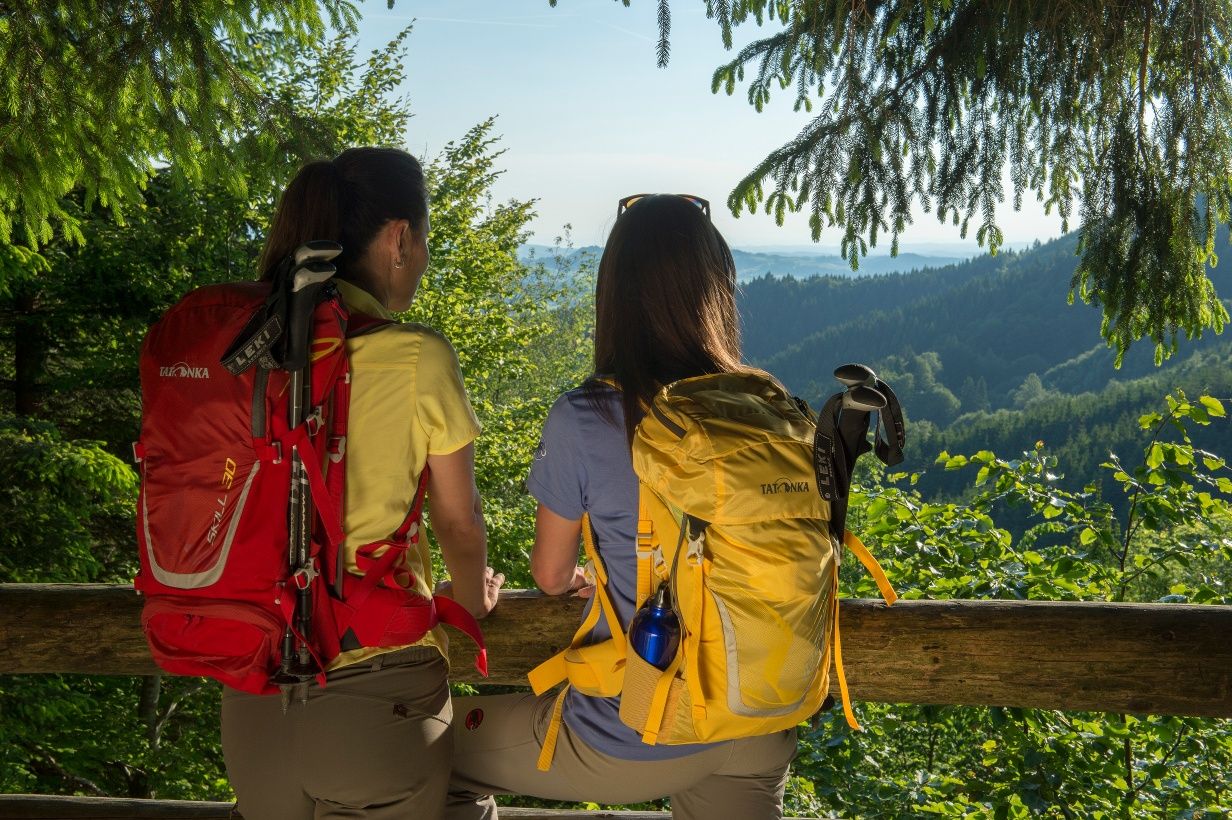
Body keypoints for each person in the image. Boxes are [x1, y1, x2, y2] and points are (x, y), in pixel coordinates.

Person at [445, 194, 796, 820]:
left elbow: (551, 576)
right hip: (759, 722)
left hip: (640, 727)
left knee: (428, 752)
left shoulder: (588, 416)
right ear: (717, 288)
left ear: (615, 295)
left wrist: (585, 576)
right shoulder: (766, 407)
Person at [221, 147, 504, 819]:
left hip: (252, 701)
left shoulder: (247, 354)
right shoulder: (416, 357)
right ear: (399, 238)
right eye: (424, 239)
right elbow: (459, 525)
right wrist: (473, 599)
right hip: (378, 701)